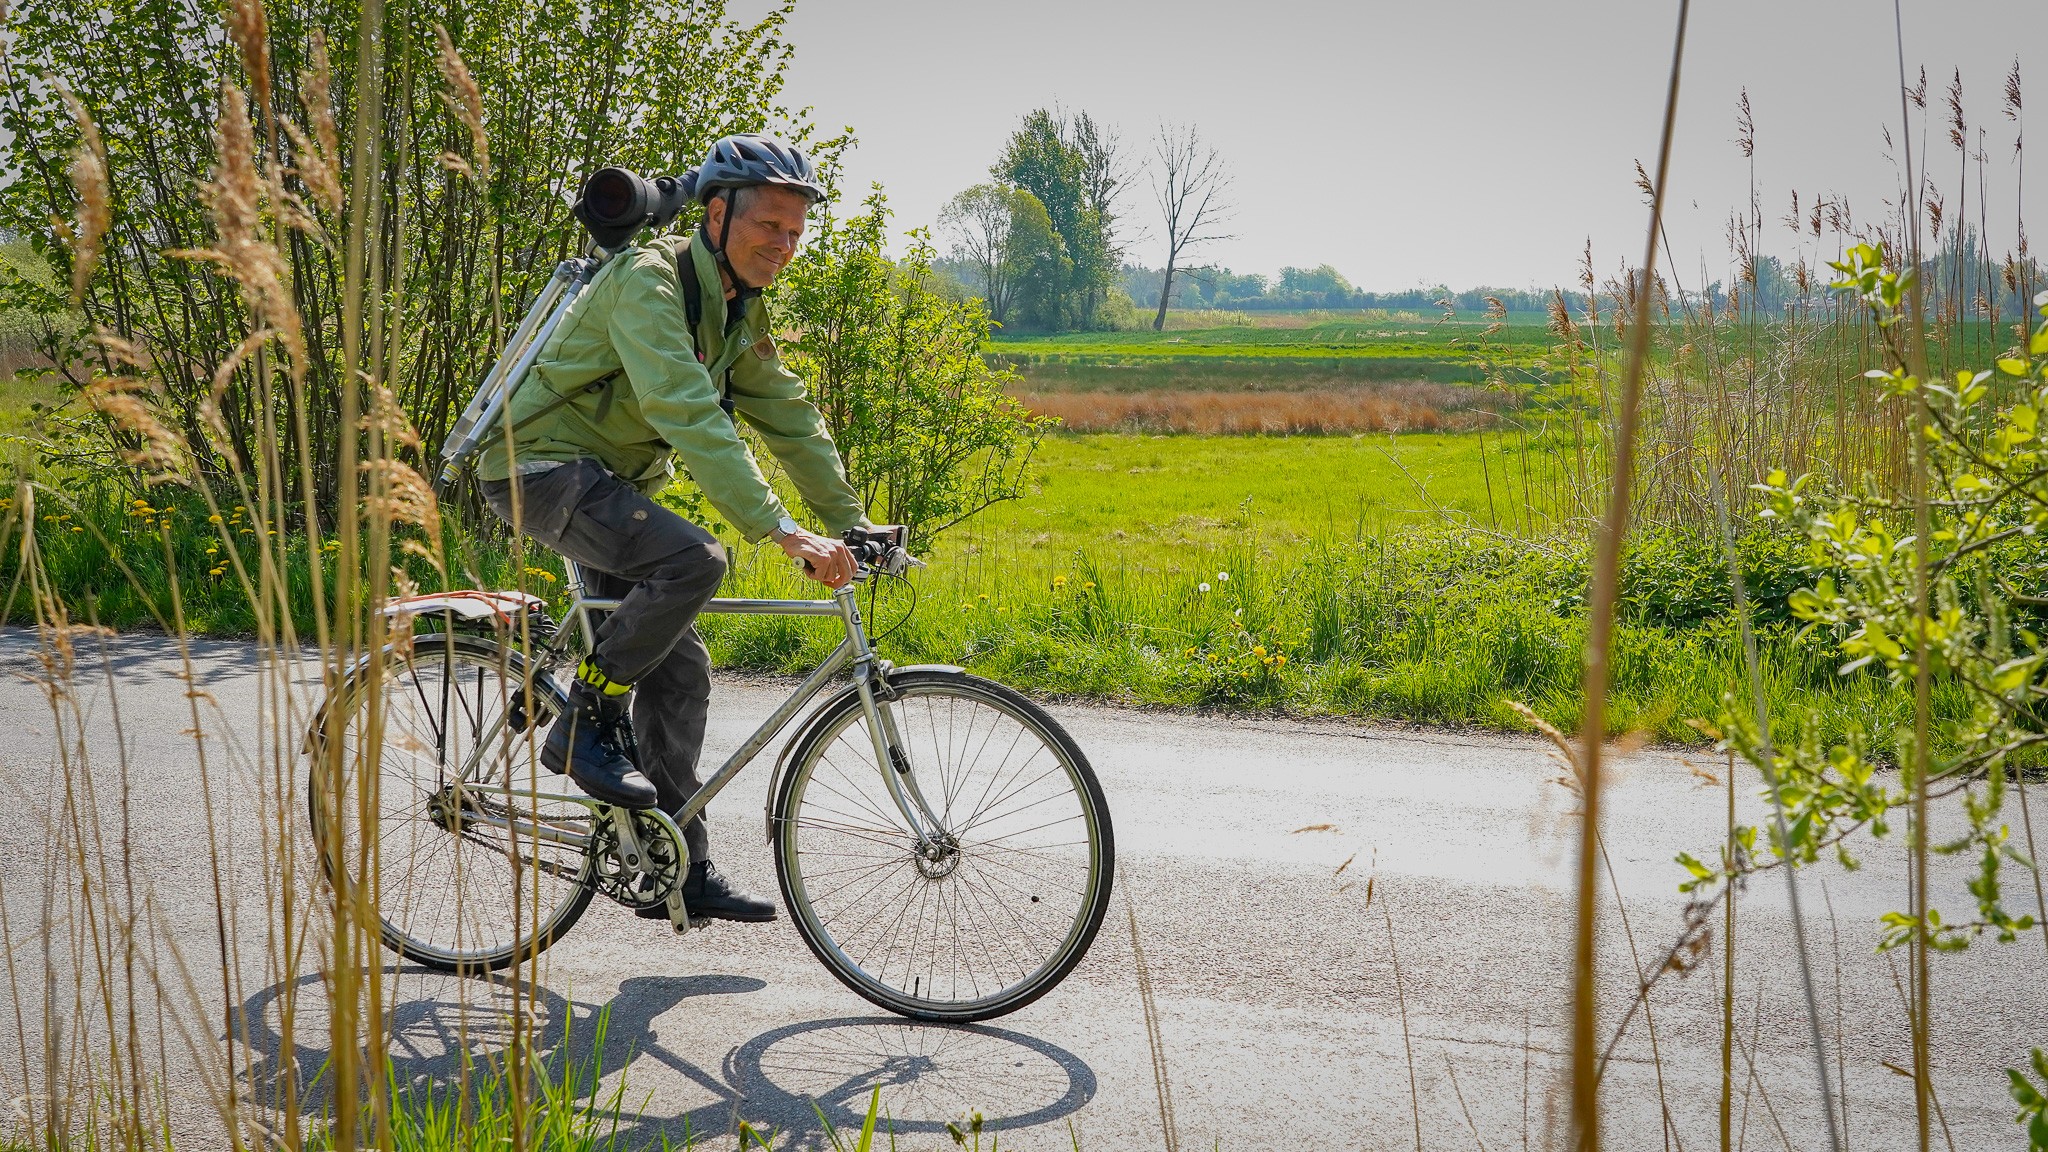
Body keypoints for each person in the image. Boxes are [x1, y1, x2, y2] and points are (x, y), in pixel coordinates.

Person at [474, 134, 866, 923]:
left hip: (609, 487)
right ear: (715, 214)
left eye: (796, 233)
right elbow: (681, 407)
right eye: (770, 228)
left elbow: (789, 416)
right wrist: (782, 530)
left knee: (679, 670)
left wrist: (852, 522)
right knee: (695, 560)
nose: (785, 247)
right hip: (536, 468)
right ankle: (582, 724)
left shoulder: (731, 308)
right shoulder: (647, 281)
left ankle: (672, 866)